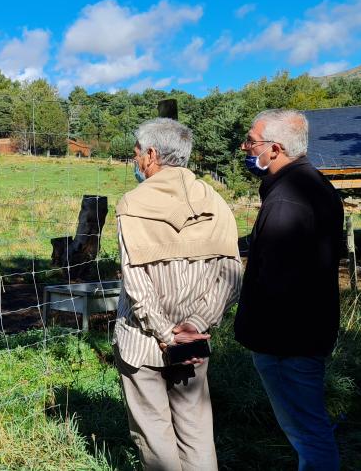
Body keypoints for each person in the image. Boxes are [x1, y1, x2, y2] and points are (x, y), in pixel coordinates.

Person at [114, 118, 242, 470]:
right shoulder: (215, 201)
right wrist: (197, 324)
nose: (136, 160)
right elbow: (231, 274)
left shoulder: (132, 204)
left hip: (143, 341)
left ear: (152, 154)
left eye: (137, 152)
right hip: (195, 341)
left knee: (155, 436)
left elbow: (135, 283)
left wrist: (167, 334)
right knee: (197, 432)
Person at [236, 109, 342, 470]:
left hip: (285, 341)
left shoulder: (285, 200)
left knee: (307, 433)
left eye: (251, 141)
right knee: (310, 427)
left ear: (275, 149)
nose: (245, 147)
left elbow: (275, 278)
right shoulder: (314, 185)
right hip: (309, 330)